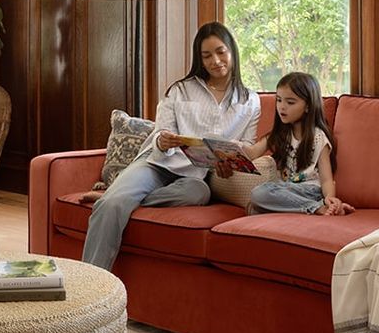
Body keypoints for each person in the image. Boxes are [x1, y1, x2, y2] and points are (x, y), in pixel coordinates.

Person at [81, 22, 260, 271]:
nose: (215, 61)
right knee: (111, 206)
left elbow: (247, 146)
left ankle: (121, 194)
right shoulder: (180, 90)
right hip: (157, 163)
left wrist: (228, 161)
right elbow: (160, 133)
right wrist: (163, 140)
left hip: (195, 176)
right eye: (206, 55)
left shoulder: (250, 101)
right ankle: (91, 283)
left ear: (232, 51)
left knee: (199, 193)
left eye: (221, 52)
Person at [243, 71, 354, 216]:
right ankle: (311, 208)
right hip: (287, 190)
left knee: (259, 194)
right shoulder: (280, 133)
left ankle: (317, 208)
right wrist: (226, 148)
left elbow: (326, 179)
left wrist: (330, 199)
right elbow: (252, 153)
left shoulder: (318, 137)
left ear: (308, 106)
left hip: (310, 191)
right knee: (253, 208)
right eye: (278, 100)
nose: (282, 107)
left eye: (290, 102)